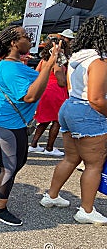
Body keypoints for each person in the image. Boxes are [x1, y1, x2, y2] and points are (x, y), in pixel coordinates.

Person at [0, 25, 60, 226]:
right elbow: (30, 96)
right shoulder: (11, 68)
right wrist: (48, 66)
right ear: (14, 43)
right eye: (25, 36)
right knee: (10, 166)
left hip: (7, 121)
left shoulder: (12, 64)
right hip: (6, 123)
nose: (29, 39)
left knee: (12, 163)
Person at [40, 16, 107, 225]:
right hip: (88, 113)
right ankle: (86, 210)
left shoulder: (78, 56)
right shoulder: (99, 61)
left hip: (69, 108)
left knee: (71, 158)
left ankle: (51, 196)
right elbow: (96, 98)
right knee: (94, 164)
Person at [29, 39, 68, 156]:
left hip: (44, 90)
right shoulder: (57, 61)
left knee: (44, 119)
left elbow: (36, 74)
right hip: (56, 92)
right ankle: (50, 147)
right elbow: (61, 81)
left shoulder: (43, 60)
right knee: (57, 120)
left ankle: (34, 144)